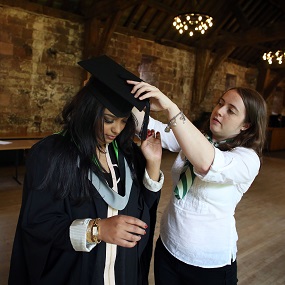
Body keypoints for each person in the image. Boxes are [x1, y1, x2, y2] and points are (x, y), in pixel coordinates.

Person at [8, 55, 164, 285]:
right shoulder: (52, 154)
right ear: (89, 110)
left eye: (122, 121)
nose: (116, 130)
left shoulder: (126, 153)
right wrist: (97, 229)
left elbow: (143, 210)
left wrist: (153, 163)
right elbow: (38, 224)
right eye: (109, 119)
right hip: (77, 272)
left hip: (122, 272)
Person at [130, 81, 267, 285]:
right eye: (220, 103)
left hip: (209, 264)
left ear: (246, 125)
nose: (219, 111)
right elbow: (147, 126)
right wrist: (122, 94)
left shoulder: (248, 159)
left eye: (231, 110)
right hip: (168, 248)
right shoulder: (196, 138)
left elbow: (206, 163)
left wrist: (171, 107)